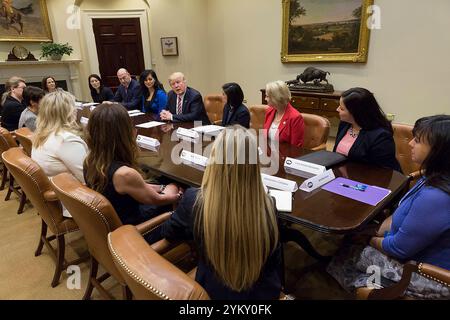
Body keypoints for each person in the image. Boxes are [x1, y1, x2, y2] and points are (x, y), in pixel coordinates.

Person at [327, 115, 450, 299]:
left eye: (418, 141)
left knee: (345, 254)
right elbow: (401, 217)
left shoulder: (437, 196)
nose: (410, 144)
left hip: (430, 275)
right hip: (417, 253)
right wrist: (376, 232)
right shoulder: (434, 175)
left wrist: (368, 239)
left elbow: (398, 249)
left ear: (439, 151)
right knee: (348, 242)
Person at [159, 126, 282, 299]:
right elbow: (273, 263)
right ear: (254, 166)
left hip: (211, 290)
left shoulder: (193, 200)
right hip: (259, 294)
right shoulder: (269, 207)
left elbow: (169, 233)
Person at [83, 103, 182, 233]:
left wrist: (162, 187)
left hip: (117, 221)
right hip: (137, 231)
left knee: (162, 181)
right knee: (191, 200)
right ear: (123, 133)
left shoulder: (90, 161)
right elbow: (158, 200)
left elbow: (138, 186)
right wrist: (176, 194)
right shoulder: (124, 174)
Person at [333, 87, 401, 171]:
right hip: (341, 176)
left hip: (367, 180)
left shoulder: (381, 136)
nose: (337, 109)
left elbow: (383, 172)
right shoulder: (345, 124)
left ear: (356, 113)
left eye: (342, 108)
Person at [31, 90, 87, 183]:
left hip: (59, 187)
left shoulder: (41, 134)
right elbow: (88, 178)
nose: (76, 110)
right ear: (67, 112)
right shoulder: (66, 140)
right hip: (75, 191)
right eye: (74, 106)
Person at [263, 80, 304, 147]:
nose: (265, 99)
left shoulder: (295, 117)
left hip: (284, 156)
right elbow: (264, 138)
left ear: (276, 98)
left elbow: (295, 148)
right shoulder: (269, 111)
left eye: (267, 96)